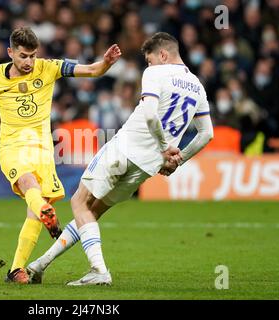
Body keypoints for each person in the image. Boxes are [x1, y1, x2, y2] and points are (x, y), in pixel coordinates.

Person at [27, 32, 214, 286]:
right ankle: (40, 265)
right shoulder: (198, 86)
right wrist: (176, 159)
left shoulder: (156, 73)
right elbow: (206, 134)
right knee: (91, 213)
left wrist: (163, 147)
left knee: (80, 202)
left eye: (149, 60)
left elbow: (149, 115)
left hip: (125, 148)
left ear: (162, 55)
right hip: (148, 166)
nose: (148, 65)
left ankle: (99, 270)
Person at [0, 27, 121, 284]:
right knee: (29, 185)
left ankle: (17, 268)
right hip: (13, 146)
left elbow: (91, 70)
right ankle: (44, 211)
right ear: (10, 53)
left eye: (33, 56)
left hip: (43, 150)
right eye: (24, 56)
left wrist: (106, 62)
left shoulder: (48, 67)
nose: (29, 62)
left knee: (33, 209)